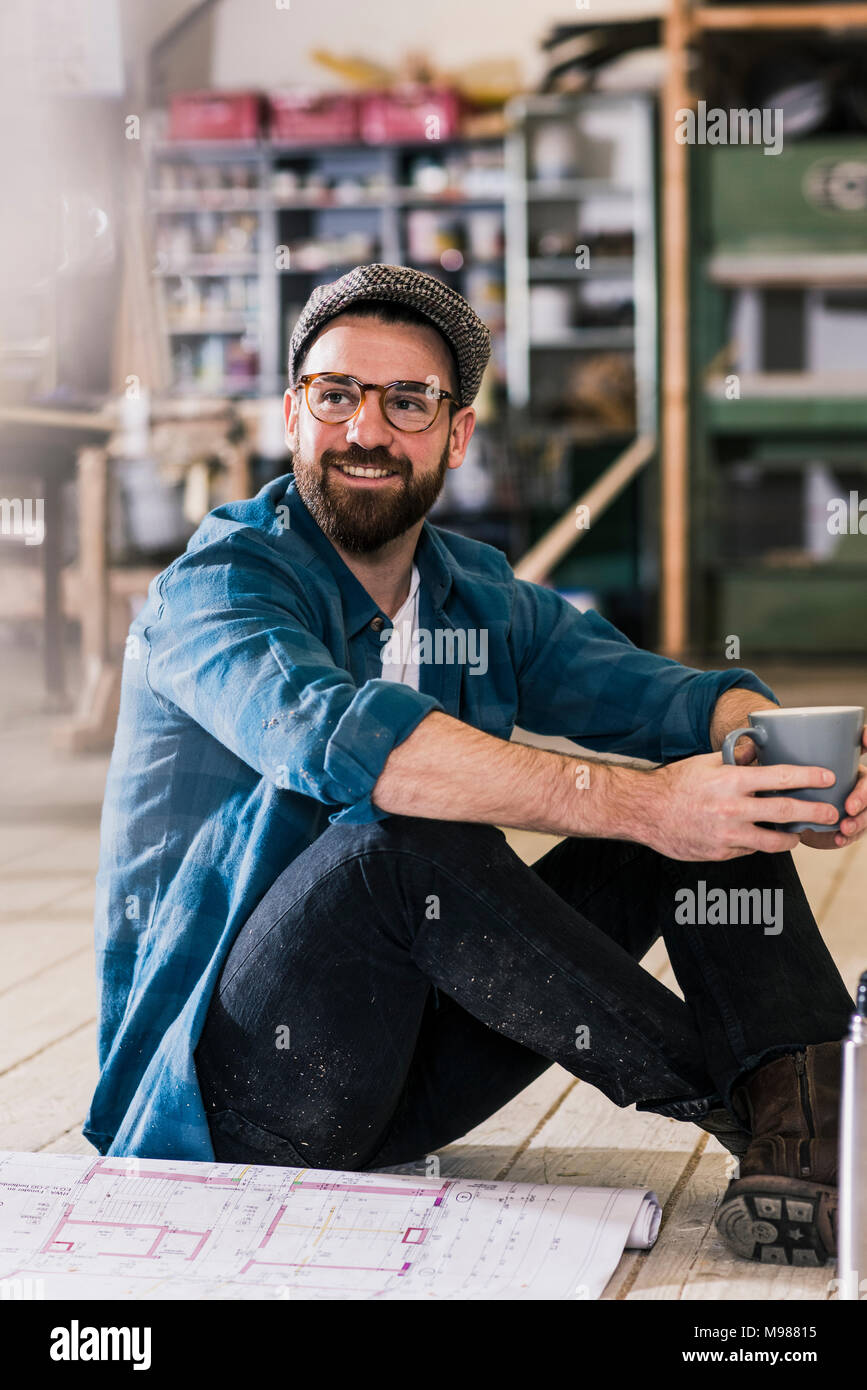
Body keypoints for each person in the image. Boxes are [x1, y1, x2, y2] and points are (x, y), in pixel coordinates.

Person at [86, 264, 866, 1268]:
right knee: (397, 836)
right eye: (335, 395)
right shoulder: (220, 589)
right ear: (292, 413)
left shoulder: (474, 597)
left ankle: (809, 1131)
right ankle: (790, 1107)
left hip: (409, 1080)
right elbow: (347, 743)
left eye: (406, 401)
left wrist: (783, 753)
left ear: (455, 434)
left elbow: (668, 698)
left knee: (713, 782)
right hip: (230, 1103)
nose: (365, 430)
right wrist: (649, 807)